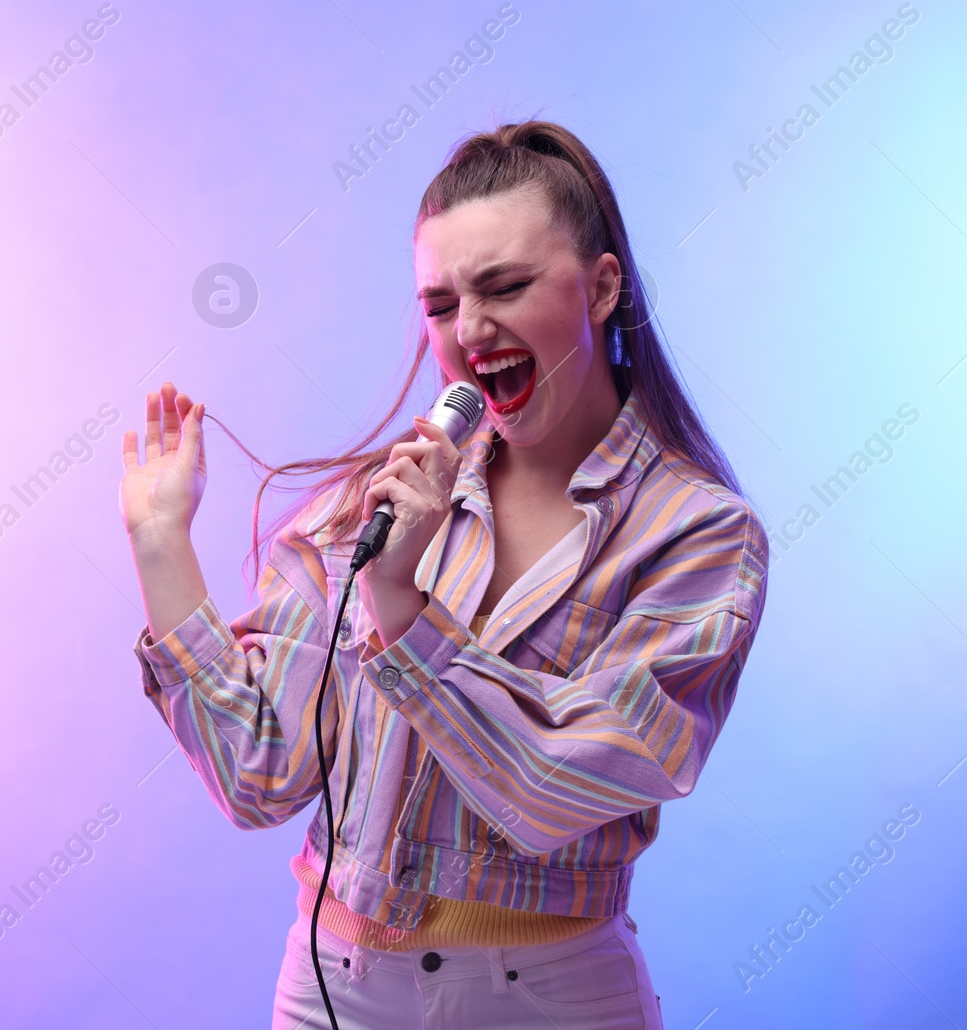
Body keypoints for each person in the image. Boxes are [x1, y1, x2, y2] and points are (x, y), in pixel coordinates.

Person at [120, 121, 769, 1029]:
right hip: (333, 990)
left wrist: (403, 606)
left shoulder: (696, 534)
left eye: (506, 286)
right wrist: (162, 544)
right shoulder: (369, 506)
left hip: (551, 998)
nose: (469, 331)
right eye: (439, 304)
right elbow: (258, 774)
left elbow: (557, 789)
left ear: (603, 287)